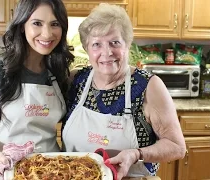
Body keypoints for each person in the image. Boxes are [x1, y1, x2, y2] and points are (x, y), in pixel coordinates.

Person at [61, 3, 186, 180]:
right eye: (96, 44)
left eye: (115, 42)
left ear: (127, 45)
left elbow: (177, 147)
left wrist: (136, 154)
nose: (107, 52)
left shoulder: (149, 86)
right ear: (87, 49)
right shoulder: (76, 81)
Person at [0, 0, 74, 179]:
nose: (47, 33)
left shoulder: (58, 73)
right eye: (37, 23)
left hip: (50, 172)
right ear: (22, 26)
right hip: (5, 171)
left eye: (55, 24)